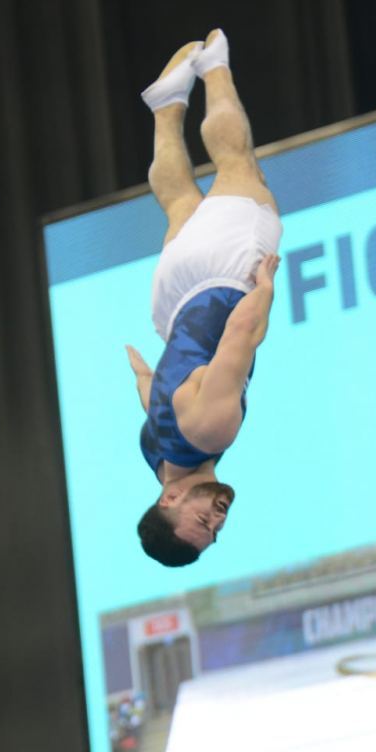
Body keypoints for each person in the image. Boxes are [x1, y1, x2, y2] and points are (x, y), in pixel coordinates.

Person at [126, 30, 283, 567]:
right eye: (214, 532)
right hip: (170, 305)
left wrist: (262, 289)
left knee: (240, 166)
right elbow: (155, 399)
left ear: (169, 500)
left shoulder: (214, 429)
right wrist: (144, 378)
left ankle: (215, 66)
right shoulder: (156, 456)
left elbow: (240, 334)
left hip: (221, 282)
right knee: (178, 202)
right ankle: (167, 106)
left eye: (201, 521)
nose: (216, 520)